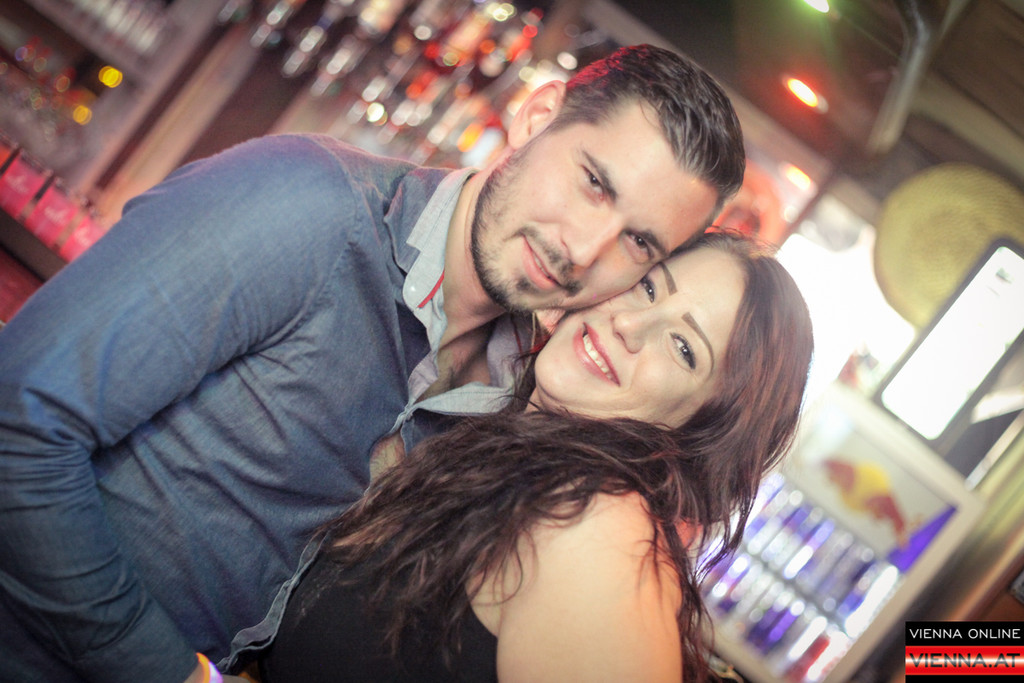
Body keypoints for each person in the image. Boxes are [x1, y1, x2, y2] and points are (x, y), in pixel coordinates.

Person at [0, 45, 745, 682]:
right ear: (537, 117)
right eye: (593, 182)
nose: (582, 248)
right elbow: (20, 424)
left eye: (638, 243)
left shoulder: (515, 401)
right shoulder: (308, 205)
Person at [226, 231, 814, 682]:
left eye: (683, 348)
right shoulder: (504, 447)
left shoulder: (599, 527)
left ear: (705, 427)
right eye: (650, 287)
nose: (630, 324)